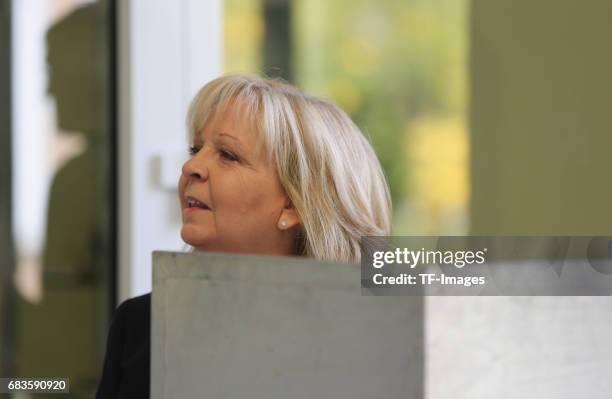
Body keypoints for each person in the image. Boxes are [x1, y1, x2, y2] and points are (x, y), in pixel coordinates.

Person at [95, 74, 391, 398]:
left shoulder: (365, 343)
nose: (192, 166)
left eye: (228, 155)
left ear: (294, 204)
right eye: (196, 148)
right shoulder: (140, 325)